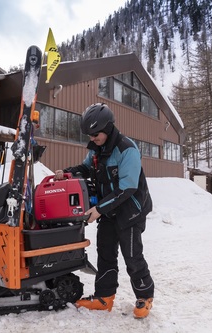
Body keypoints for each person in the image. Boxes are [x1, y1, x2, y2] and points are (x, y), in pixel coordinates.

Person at [54, 103, 154, 319]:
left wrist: (99, 209)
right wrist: (67, 173)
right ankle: (104, 297)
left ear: (108, 128)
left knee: (132, 256)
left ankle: (145, 296)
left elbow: (127, 187)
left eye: (95, 134)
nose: (92, 138)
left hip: (130, 211)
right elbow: (86, 168)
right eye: (89, 135)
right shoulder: (97, 150)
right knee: (105, 254)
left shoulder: (127, 149)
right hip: (108, 209)